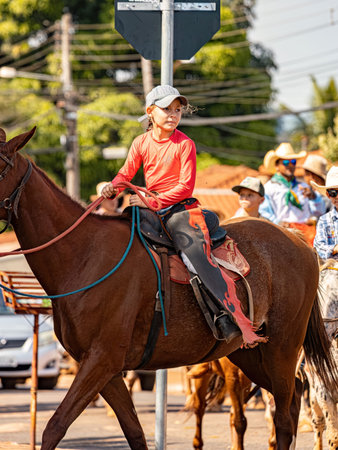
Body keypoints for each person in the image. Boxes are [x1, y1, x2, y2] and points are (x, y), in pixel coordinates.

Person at [101, 84, 263, 346]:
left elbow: (184, 187)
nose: (173, 115)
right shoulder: (140, 142)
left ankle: (224, 315)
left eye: (177, 110)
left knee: (192, 256)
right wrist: (113, 186)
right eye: (167, 109)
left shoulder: (185, 144)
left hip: (180, 210)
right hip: (149, 206)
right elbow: (125, 173)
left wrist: (152, 200)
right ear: (150, 112)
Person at [259, 143, 326, 245]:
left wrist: (313, 197)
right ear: (277, 166)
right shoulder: (269, 188)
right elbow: (264, 211)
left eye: (293, 162)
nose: (290, 166)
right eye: (286, 162)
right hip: (282, 233)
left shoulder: (304, 187)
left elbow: (320, 212)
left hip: (307, 235)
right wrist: (277, 222)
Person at [312, 166, 338, 260]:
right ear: (328, 195)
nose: (337, 197)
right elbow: (319, 247)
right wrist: (334, 249)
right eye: (333, 193)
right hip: (331, 269)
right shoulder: (324, 220)